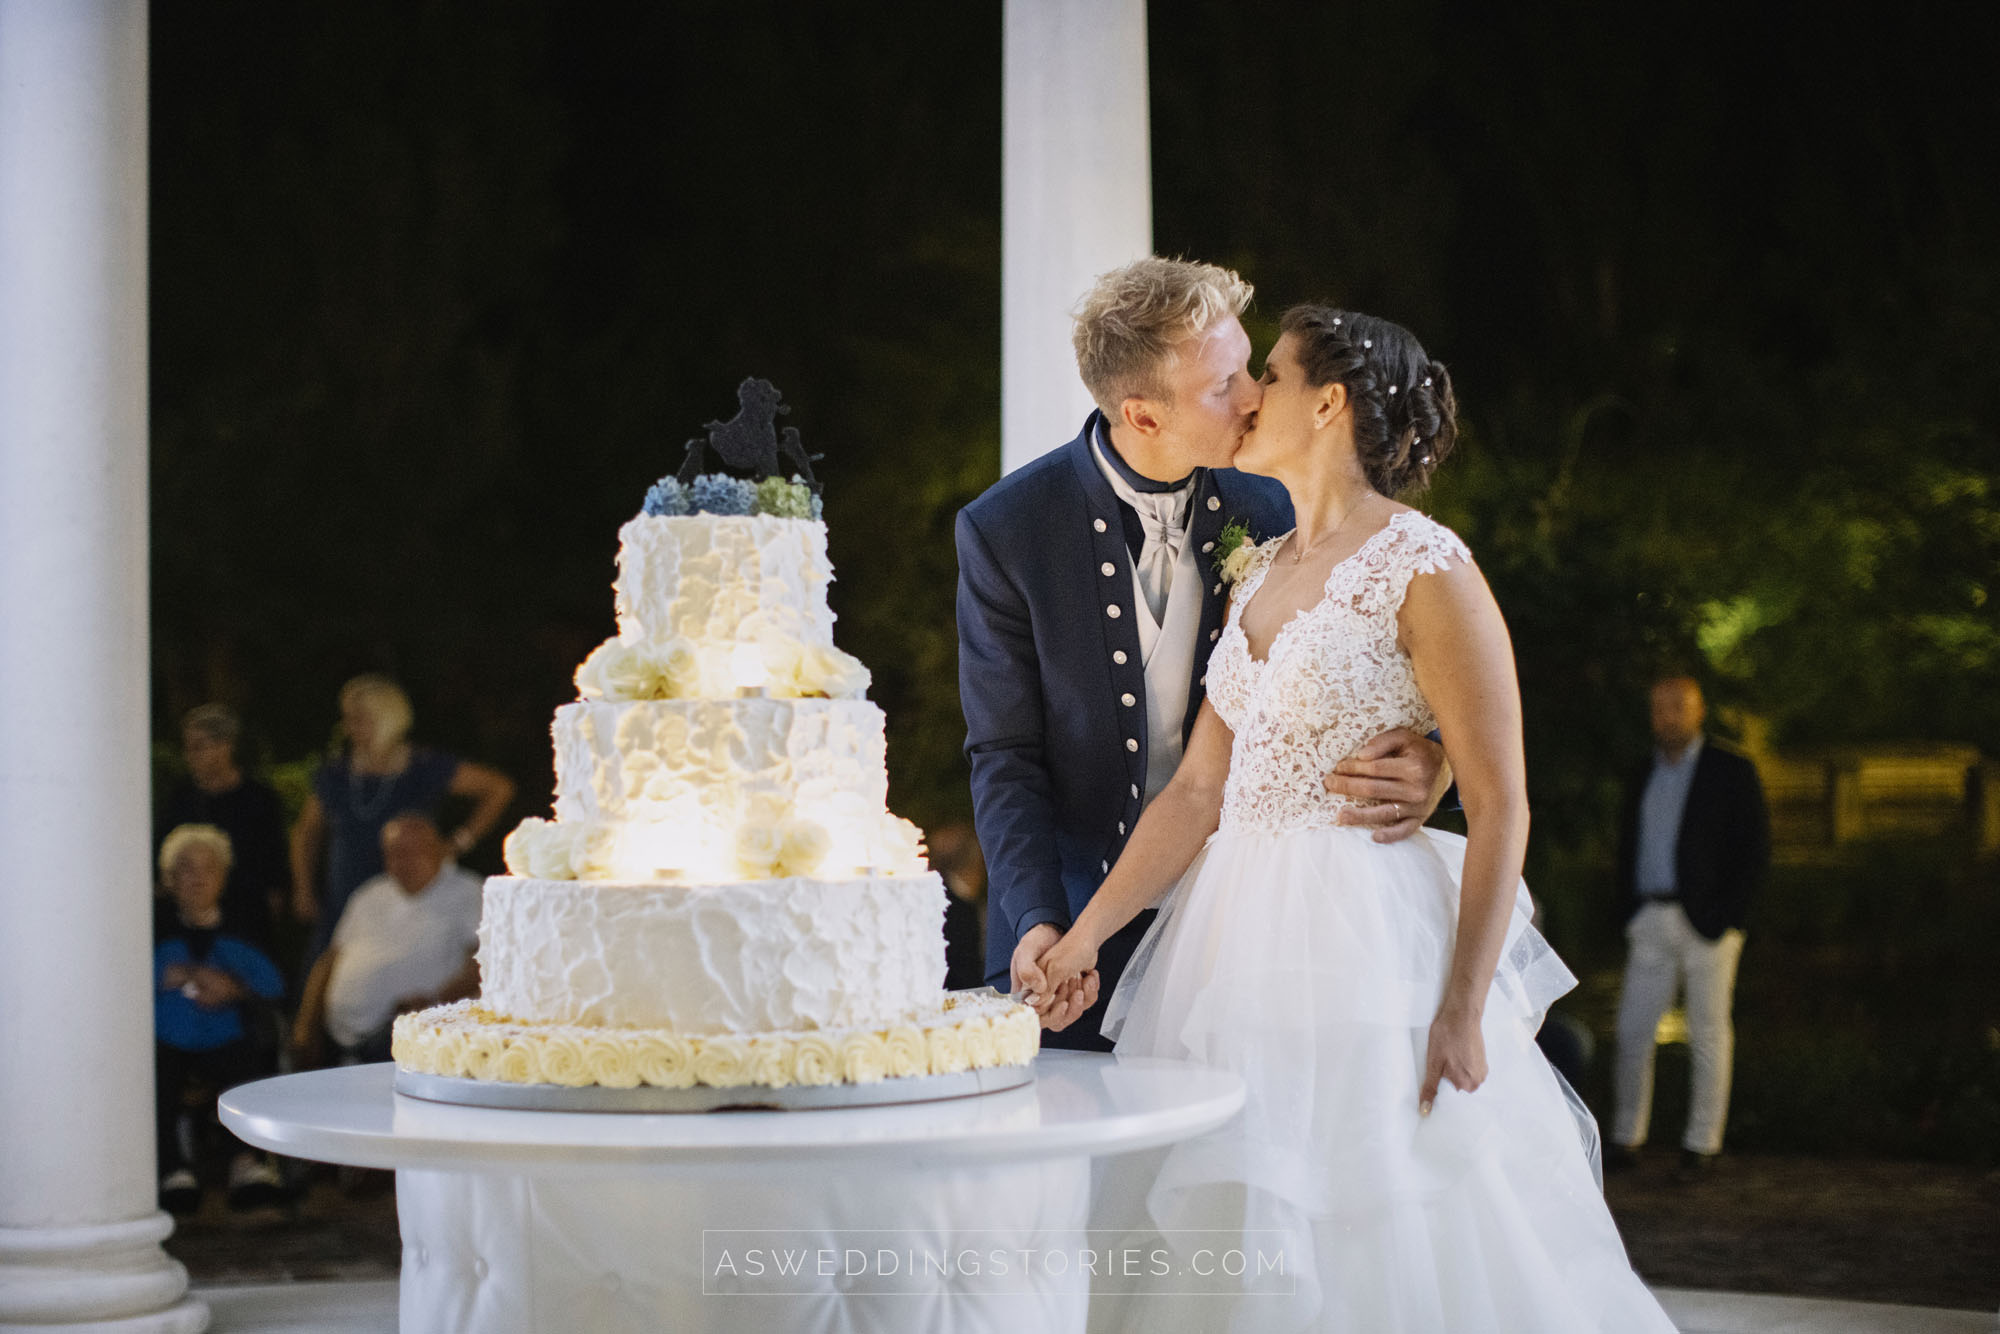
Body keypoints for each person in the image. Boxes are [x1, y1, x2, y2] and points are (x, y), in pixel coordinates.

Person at [1029, 307, 1675, 1330]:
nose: (1248, 397)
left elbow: (1499, 795)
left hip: (1362, 941)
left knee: (1368, 1215)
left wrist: (1461, 1006)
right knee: (1230, 1220)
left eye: (1270, 378)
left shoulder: (1423, 565)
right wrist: (1087, 936)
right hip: (1229, 948)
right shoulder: (1256, 568)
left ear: (1326, 402)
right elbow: (1197, 792)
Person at [956, 257, 1448, 1050]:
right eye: (1224, 386)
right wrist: (1040, 920)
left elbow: (1381, 653)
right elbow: (1004, 754)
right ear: (1143, 416)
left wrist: (1434, 762)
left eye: (1250, 369)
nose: (1254, 395)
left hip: (1252, 935)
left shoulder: (1277, 500)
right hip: (1072, 932)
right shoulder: (1008, 530)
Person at [1608, 674, 1770, 1180]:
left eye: (1678, 707)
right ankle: (1625, 1137)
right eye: (1659, 708)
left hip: (1708, 922)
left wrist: (1729, 917)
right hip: (1650, 916)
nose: (1668, 717)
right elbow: (1626, 844)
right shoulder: (1641, 773)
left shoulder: (1732, 770)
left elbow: (1755, 851)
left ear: (1700, 711)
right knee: (1633, 1031)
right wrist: (1629, 910)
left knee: (1709, 1031)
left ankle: (1701, 1144)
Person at [290, 674, 514, 966]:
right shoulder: (336, 774)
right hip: (347, 891)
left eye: (360, 719)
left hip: (411, 894)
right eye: (348, 718)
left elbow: (498, 788)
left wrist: (457, 843)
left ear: (387, 719)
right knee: (335, 970)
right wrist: (304, 888)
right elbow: (306, 833)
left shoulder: (423, 767)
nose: (350, 728)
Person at [153, 823, 288, 1215]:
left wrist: (234, 989)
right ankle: (172, 1171)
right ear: (169, 879)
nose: (197, 878)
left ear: (222, 877)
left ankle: (247, 1167)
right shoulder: (151, 929)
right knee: (152, 1076)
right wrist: (182, 975)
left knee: (248, 1069)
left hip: (227, 1036)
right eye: (186, 869)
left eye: (207, 868)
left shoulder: (243, 930)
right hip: (166, 1038)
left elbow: (273, 985)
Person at [293, 814, 482, 1066]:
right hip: (338, 1042)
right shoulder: (370, 893)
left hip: (416, 1043)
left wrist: (435, 1002)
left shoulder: (471, 893)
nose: (403, 861)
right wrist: (305, 1026)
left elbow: (485, 962)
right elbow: (331, 959)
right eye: (394, 852)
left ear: (438, 849)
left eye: (412, 851)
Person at [155, 703, 289, 953]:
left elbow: (274, 866)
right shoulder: (180, 799)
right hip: (187, 922)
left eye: (199, 747)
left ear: (225, 746)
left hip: (245, 918)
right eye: (188, 748)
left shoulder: (259, 800)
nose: (190, 756)